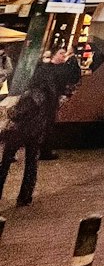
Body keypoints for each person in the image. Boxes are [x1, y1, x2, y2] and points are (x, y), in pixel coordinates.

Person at [0, 77, 60, 206]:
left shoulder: (31, 95)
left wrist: (11, 111)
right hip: (36, 132)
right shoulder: (49, 93)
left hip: (19, 132)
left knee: (5, 163)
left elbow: (17, 114)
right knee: (31, 165)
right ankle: (25, 196)